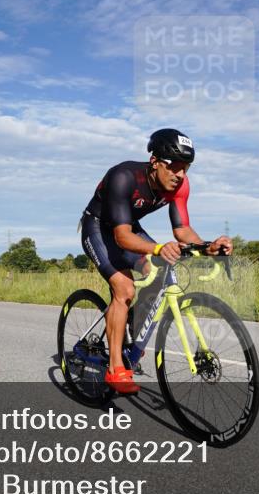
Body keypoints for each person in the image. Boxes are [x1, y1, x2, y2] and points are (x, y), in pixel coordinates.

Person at [80, 129, 232, 394]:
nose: (180, 175)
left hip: (128, 226)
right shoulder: (124, 177)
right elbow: (122, 236)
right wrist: (159, 247)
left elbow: (183, 230)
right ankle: (115, 368)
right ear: (155, 161)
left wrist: (209, 247)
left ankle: (129, 328)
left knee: (157, 273)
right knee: (124, 289)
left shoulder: (180, 185)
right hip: (99, 226)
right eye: (174, 166)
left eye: (186, 168)